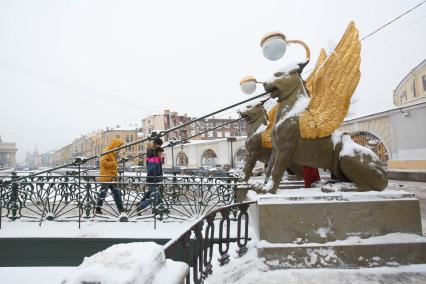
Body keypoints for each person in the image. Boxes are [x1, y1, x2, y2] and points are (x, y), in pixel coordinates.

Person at [95, 138, 125, 214]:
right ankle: (98, 209)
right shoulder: (107, 151)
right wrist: (113, 163)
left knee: (116, 194)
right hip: (106, 177)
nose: (119, 149)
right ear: (115, 145)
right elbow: (103, 163)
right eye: (118, 147)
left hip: (112, 177)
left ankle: (121, 210)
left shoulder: (113, 152)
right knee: (103, 194)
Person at [137, 146, 164, 211]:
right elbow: (151, 171)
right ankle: (141, 207)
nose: (161, 154)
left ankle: (160, 208)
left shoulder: (156, 159)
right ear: (158, 152)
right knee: (154, 197)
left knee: (154, 195)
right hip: (153, 180)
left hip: (154, 180)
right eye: (161, 152)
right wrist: (158, 176)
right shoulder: (154, 160)